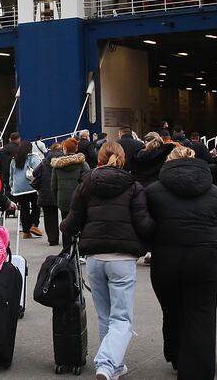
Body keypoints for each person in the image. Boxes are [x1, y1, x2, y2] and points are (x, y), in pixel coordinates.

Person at [144, 144, 217, 378]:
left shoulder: (152, 191)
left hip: (165, 259)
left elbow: (143, 225)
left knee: (172, 309)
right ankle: (195, 371)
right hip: (203, 259)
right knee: (200, 315)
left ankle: (176, 354)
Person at [60, 141, 154, 380]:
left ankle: (114, 365)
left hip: (94, 257)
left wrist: (64, 226)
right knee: (121, 317)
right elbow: (144, 224)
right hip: (122, 258)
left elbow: (71, 224)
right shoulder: (134, 187)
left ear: (99, 159)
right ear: (122, 159)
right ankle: (106, 364)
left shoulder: (86, 185)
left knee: (105, 316)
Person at [51, 137, 90, 234]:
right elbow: (88, 183)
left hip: (63, 199)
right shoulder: (82, 164)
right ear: (76, 149)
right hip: (79, 199)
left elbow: (53, 185)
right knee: (81, 223)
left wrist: (57, 200)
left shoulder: (57, 166)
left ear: (64, 149)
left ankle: (66, 248)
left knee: (66, 225)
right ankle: (80, 246)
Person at [10, 141, 43, 238]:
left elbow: (11, 175)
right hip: (31, 186)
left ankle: (26, 232)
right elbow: (38, 170)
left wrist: (12, 186)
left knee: (24, 208)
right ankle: (34, 225)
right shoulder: (33, 157)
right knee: (36, 206)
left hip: (19, 188)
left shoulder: (14, 159)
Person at [31, 141, 60, 246]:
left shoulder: (44, 162)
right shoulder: (64, 161)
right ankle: (68, 238)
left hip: (46, 193)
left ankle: (53, 239)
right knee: (66, 215)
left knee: (49, 216)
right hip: (60, 191)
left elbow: (35, 173)